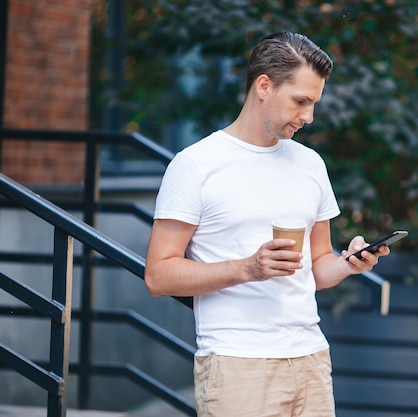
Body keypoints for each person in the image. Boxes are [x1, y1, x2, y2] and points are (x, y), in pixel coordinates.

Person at [144, 32, 390, 417]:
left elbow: (317, 265)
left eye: (314, 104)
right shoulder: (195, 165)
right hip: (237, 365)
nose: (308, 117)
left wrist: (349, 262)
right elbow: (158, 275)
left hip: (310, 358)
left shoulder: (311, 165)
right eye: (301, 101)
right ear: (264, 86)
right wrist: (247, 268)